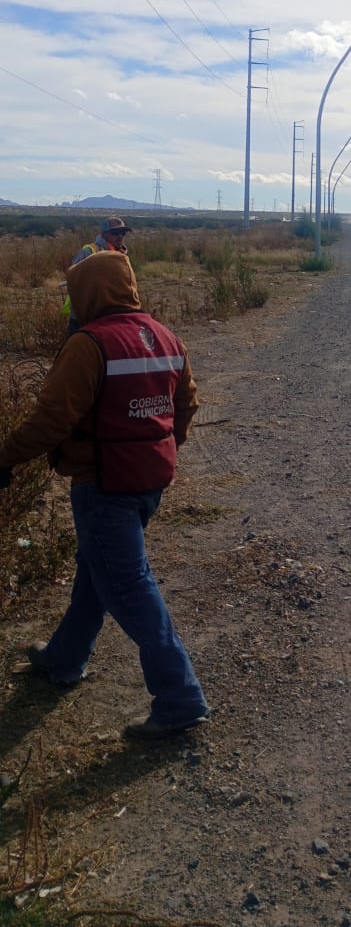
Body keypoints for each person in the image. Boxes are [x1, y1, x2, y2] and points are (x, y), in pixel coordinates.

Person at [0, 252, 209, 740]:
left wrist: (5, 457)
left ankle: (180, 699)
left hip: (104, 487)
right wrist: (157, 448)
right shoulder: (165, 336)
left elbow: (52, 420)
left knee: (129, 586)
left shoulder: (89, 344)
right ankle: (64, 659)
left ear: (90, 291)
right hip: (148, 482)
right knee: (98, 570)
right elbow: (187, 404)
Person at [64, 217, 132, 333]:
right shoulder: (89, 252)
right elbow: (74, 280)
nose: (120, 236)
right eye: (115, 233)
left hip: (109, 316)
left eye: (123, 233)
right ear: (104, 234)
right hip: (85, 317)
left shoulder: (121, 255)